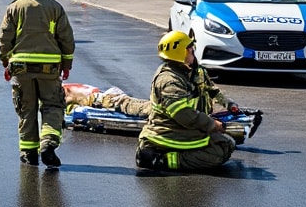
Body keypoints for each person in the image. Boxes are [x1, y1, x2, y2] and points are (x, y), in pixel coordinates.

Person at [97, 31, 236, 172]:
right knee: (219, 152)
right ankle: (157, 159)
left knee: (225, 144)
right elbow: (183, 114)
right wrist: (212, 124)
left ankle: (175, 156)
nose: (193, 50)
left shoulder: (193, 71)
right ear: (181, 52)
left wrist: (229, 104)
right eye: (190, 48)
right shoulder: (169, 81)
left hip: (185, 128)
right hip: (168, 133)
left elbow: (212, 89)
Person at [0, 0, 75, 168]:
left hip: (21, 68)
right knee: (52, 105)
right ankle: (48, 145)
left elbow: (5, 40)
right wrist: (66, 64)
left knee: (26, 109)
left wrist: (6, 61)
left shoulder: (14, 8)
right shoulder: (55, 8)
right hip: (49, 69)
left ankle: (28, 154)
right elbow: (66, 39)